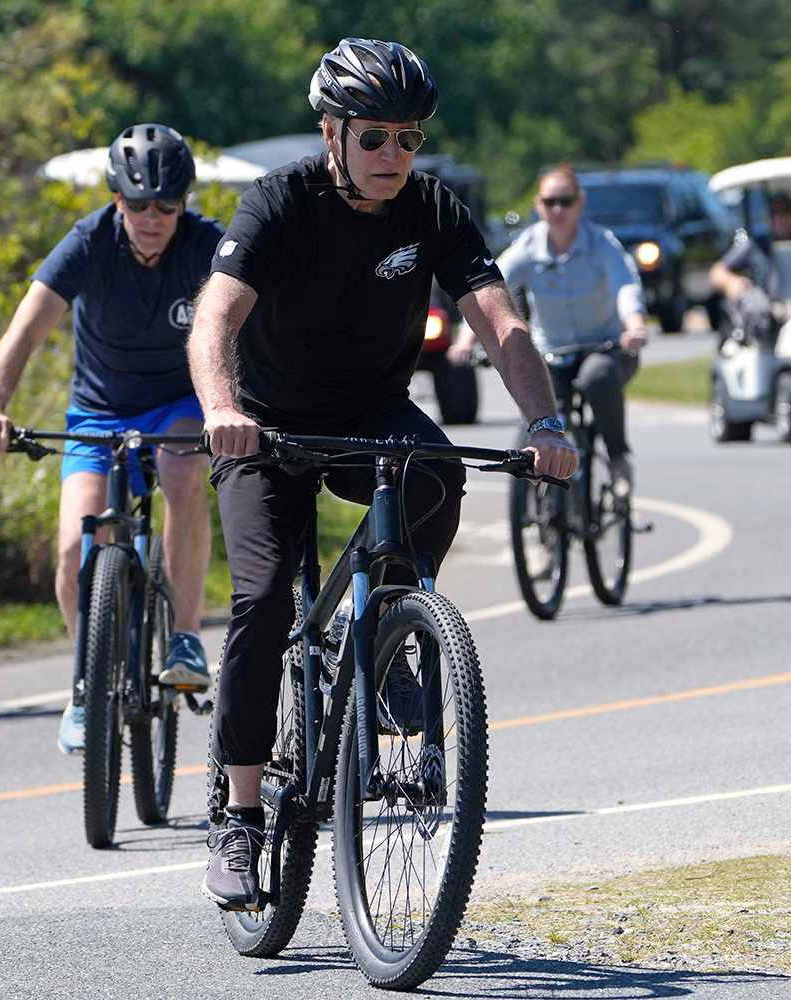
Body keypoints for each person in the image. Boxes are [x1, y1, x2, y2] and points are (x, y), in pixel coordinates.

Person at [189, 37, 577, 912]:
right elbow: (214, 320)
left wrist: (544, 421)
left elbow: (497, 320)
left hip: (370, 414)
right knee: (258, 601)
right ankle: (240, 817)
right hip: (267, 425)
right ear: (332, 133)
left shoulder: (431, 208)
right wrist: (223, 411)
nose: (394, 156)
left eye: (408, 137)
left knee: (438, 469)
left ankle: (393, 624)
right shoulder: (277, 203)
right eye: (375, 138)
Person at [0, 123, 221, 754]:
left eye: (166, 206)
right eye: (138, 204)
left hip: (178, 404)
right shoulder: (87, 242)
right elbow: (25, 331)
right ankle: (88, 679)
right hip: (97, 412)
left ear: (184, 204)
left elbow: (257, 319)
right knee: (72, 547)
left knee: (183, 473)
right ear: (116, 201)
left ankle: (186, 636)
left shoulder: (206, 247)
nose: (151, 218)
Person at [489, 163, 649, 488]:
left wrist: (634, 325)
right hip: (553, 354)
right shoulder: (528, 247)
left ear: (580, 202)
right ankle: (533, 495)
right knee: (537, 395)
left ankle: (618, 458)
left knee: (597, 376)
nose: (558, 209)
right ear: (538, 205)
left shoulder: (602, 243)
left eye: (566, 200)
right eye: (550, 202)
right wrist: (466, 338)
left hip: (605, 348)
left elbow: (625, 286)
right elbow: (489, 289)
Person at [709, 190, 791, 346]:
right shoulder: (756, 244)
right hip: (767, 315)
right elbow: (717, 272)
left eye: (785, 212)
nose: (780, 218)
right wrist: (732, 282)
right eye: (775, 213)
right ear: (769, 217)